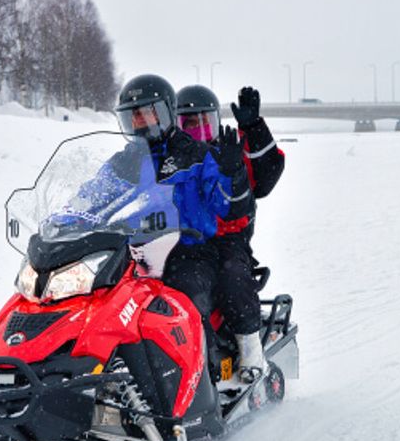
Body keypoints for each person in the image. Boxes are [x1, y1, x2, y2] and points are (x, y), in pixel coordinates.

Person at [114, 74, 247, 350]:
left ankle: (205, 372)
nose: (140, 124)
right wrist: (63, 222)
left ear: (166, 113)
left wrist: (231, 174)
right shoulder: (124, 161)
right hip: (135, 255)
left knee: (182, 299)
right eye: (133, 118)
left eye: (146, 115)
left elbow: (223, 202)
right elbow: (93, 195)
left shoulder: (196, 154)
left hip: (189, 252)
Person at [175, 84, 285, 383]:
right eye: (189, 123)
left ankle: (249, 348)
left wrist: (253, 128)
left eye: (203, 122)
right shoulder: (175, 157)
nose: (197, 130)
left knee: (231, 276)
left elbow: (265, 177)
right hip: (182, 241)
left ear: (214, 119)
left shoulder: (230, 150)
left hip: (228, 238)